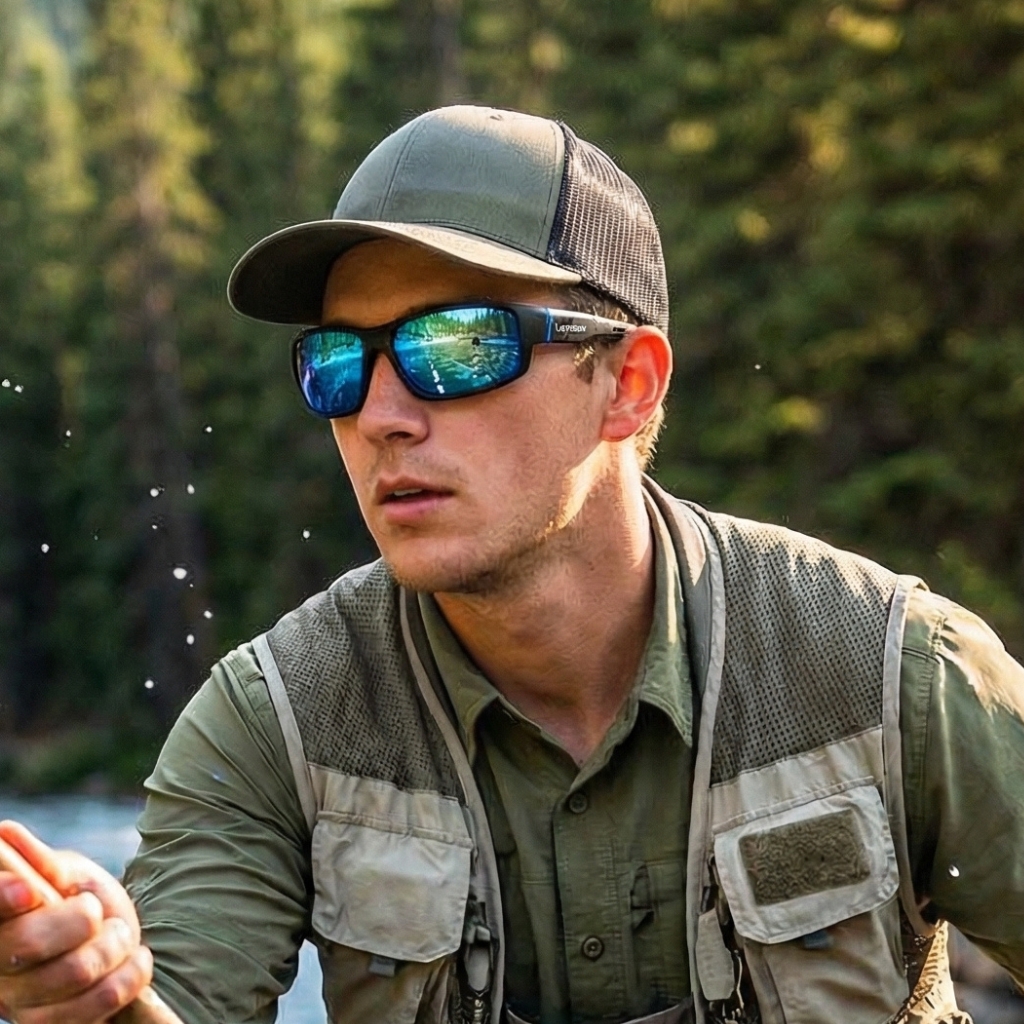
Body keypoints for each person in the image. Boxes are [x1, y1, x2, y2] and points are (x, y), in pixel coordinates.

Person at [2, 104, 1024, 1024]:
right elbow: (175, 1003)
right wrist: (91, 996)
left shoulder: (894, 676)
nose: (382, 416)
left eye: (455, 346)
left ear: (627, 383)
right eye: (339, 363)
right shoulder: (274, 722)